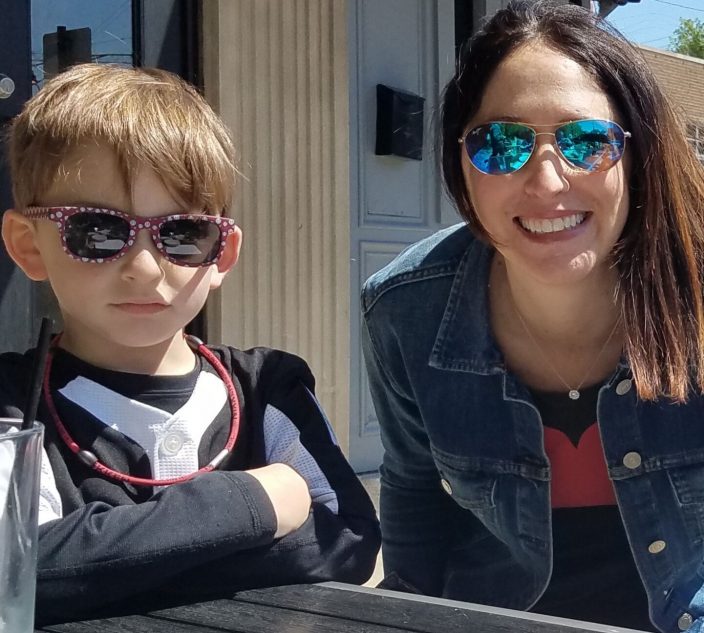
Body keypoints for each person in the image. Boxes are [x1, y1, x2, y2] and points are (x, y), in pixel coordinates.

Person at [361, 2, 704, 632]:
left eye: (587, 141)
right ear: (461, 165)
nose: (546, 182)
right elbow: (413, 488)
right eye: (501, 144)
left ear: (638, 154)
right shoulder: (405, 309)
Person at [1, 63, 380, 625]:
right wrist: (251, 502)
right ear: (29, 245)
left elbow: (349, 541)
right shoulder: (15, 403)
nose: (145, 268)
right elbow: (15, 575)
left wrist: (99, 567)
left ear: (223, 254)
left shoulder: (266, 386)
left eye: (183, 234)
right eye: (98, 231)